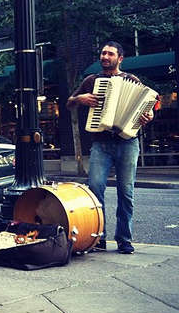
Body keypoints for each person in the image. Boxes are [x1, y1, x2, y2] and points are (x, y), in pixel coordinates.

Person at [66, 41, 154, 254]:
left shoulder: (131, 80)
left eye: (110, 54)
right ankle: (99, 238)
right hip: (100, 144)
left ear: (120, 58)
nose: (105, 57)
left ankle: (124, 239)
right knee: (95, 190)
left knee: (126, 192)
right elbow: (69, 103)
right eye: (103, 53)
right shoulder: (91, 81)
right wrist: (80, 98)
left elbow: (147, 109)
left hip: (127, 143)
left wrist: (148, 116)